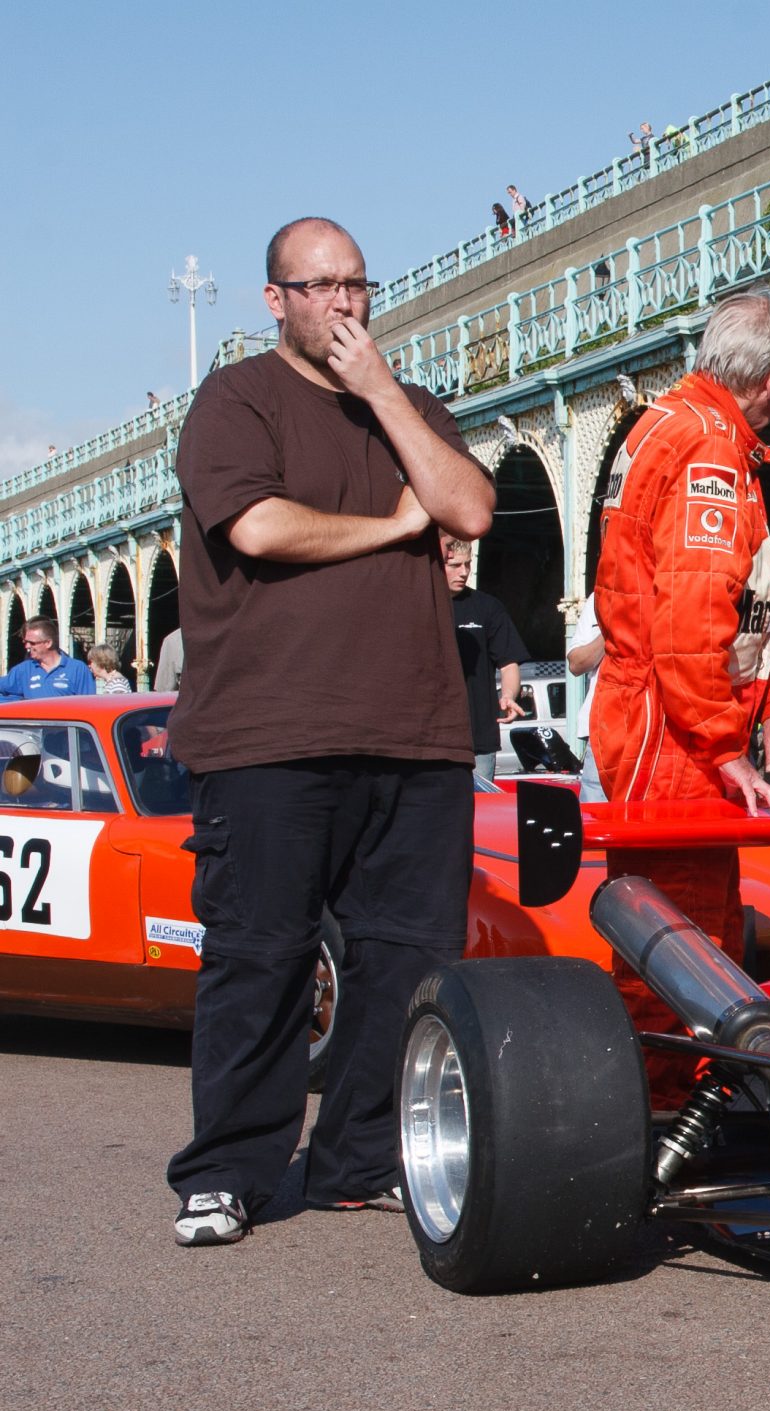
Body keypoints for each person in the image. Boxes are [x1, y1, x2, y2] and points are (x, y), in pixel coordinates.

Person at [162, 215, 494, 1248]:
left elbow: (473, 508)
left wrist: (387, 393)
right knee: (263, 956)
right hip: (269, 734)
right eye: (318, 287)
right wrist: (397, 529)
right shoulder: (236, 402)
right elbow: (259, 527)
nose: (342, 304)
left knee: (403, 958)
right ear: (275, 301)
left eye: (355, 284)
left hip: (415, 733)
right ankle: (226, 1173)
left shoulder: (411, 407)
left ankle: (359, 1159)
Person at [590, 291, 770, 1104]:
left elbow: (732, 612)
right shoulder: (711, 452)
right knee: (675, 950)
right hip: (671, 733)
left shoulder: (674, 426)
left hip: (665, 718)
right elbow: (691, 621)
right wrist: (724, 744)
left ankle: (677, 1111)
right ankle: (659, 1119)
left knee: (694, 941)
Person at [442, 533, 530, 780]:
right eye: (454, 565)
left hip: (478, 735)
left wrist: (509, 696)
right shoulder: (419, 605)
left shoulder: (487, 607)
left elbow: (508, 662)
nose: (463, 572)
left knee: (478, 811)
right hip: (432, 737)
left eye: (467, 564)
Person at [565, 594, 605, 796]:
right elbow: (576, 663)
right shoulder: (599, 598)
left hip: (656, 729)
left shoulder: (672, 590)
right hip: (602, 729)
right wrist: (609, 631)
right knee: (594, 815)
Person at [0, 619, 97, 700]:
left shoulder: (77, 669)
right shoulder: (24, 670)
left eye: (32, 643)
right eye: (26, 642)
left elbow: (88, 705)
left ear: (48, 643)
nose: (27, 646)